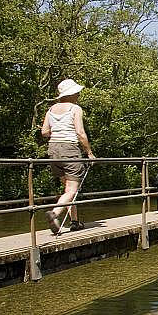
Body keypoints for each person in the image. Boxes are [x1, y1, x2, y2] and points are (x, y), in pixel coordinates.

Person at [41, 78, 95, 234]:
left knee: (67, 189)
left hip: (53, 150)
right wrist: (89, 153)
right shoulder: (75, 109)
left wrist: (57, 131)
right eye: (76, 92)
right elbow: (80, 132)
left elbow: (44, 132)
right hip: (70, 149)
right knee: (72, 190)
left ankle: (75, 222)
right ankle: (55, 214)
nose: (78, 94)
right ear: (70, 94)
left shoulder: (50, 109)